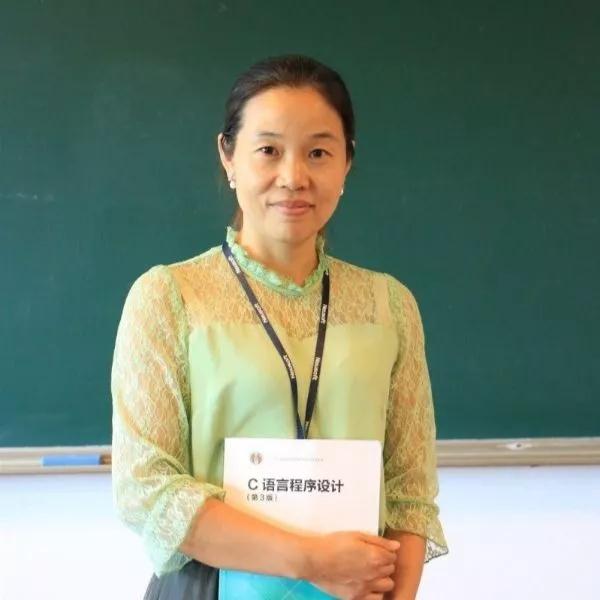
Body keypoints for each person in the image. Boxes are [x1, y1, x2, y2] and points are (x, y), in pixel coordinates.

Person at [111, 54, 448, 600]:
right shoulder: (170, 296)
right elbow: (146, 489)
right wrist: (311, 561)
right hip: (208, 587)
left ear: (347, 162)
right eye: (268, 150)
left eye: (318, 152)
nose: (293, 177)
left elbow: (410, 495)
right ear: (228, 157)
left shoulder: (389, 304)